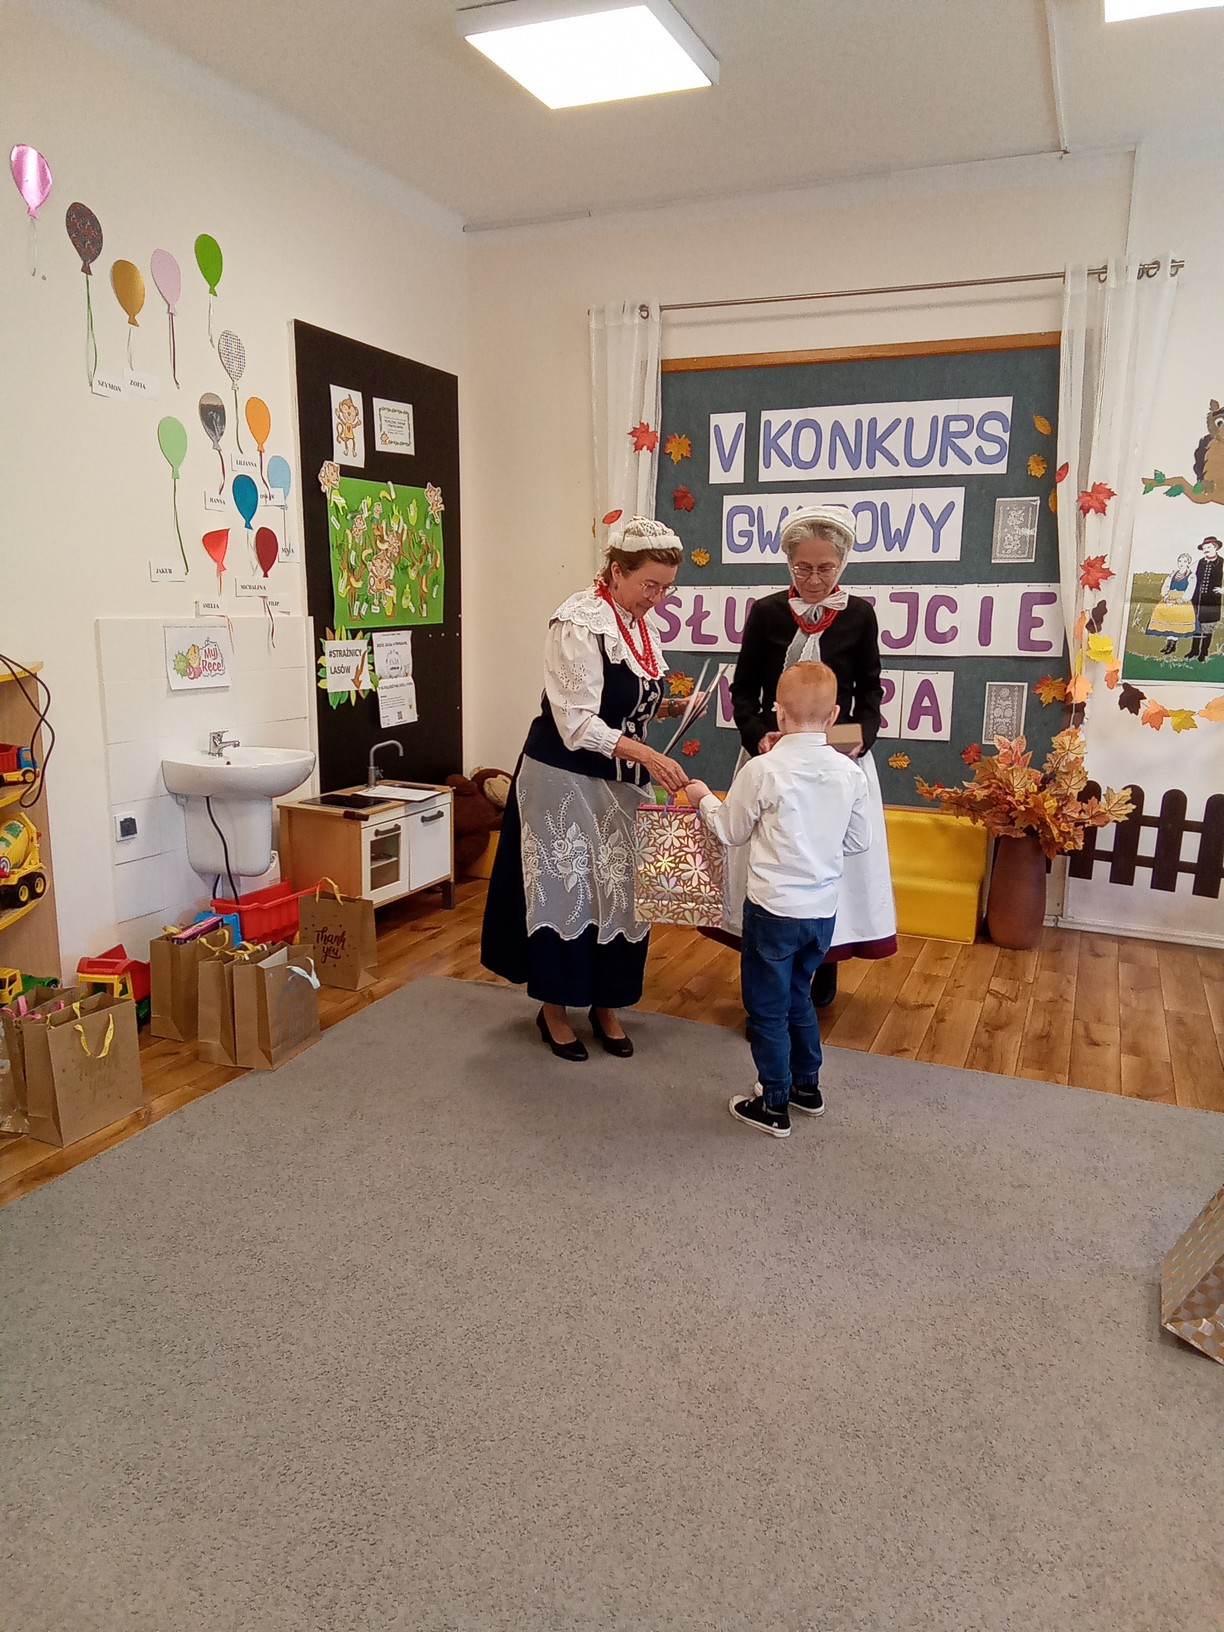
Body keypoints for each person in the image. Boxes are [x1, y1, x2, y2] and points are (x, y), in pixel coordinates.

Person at [480, 517, 693, 1062]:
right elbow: (576, 722)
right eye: (650, 585)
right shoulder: (578, 622)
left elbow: (620, 703)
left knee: (619, 893)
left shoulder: (639, 626)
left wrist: (670, 708)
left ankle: (606, 1003)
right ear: (616, 572)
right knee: (567, 889)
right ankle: (555, 1009)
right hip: (563, 779)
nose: (658, 598)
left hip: (618, 782)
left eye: (666, 588)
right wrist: (649, 755)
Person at [685, 662, 871, 1138]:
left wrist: (702, 797)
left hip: (773, 910)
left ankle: (772, 1102)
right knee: (798, 997)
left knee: (767, 1010)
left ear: (778, 713)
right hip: (821, 913)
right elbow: (858, 841)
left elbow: (729, 831)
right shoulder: (850, 773)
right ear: (834, 715)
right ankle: (807, 1087)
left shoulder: (763, 769)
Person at [726, 504, 896, 1007]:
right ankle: (767, 975)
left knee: (830, 860)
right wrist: (761, 738)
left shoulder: (859, 614)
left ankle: (822, 970)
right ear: (788, 564)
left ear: (842, 564)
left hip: (838, 761)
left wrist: (853, 742)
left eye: (826, 568)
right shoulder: (767, 613)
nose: (815, 579)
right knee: (771, 861)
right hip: (773, 757)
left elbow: (870, 692)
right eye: (803, 568)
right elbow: (744, 691)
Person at [1150, 552, 1198, 655]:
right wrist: (1166, 596)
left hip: (1181, 600)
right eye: (1180, 561)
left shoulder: (1191, 576)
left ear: (1188, 563)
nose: (1181, 563)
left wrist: (1182, 599)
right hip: (1170, 598)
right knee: (1168, 622)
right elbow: (1166, 585)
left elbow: (1190, 589)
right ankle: (1168, 644)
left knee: (1176, 623)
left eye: (1184, 561)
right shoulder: (1173, 574)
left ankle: (1173, 645)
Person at [1189, 536, 1222, 663]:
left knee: (1207, 628)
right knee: (1196, 626)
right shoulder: (1199, 562)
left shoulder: (1222, 563)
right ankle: (1194, 650)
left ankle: (1204, 652)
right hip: (1196, 601)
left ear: (1215, 547)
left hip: (1212, 602)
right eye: (1204, 548)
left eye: (1208, 547)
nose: (1206, 550)